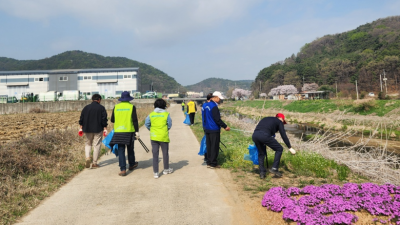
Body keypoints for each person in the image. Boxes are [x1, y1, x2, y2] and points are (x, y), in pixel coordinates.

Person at [252, 113, 296, 179]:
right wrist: (289, 147)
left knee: (261, 154)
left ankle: (262, 172)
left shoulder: (266, 118)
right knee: (279, 149)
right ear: (282, 119)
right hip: (264, 136)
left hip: (255, 135)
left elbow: (264, 128)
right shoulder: (279, 122)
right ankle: (274, 168)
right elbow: (283, 135)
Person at [110, 91, 139, 176]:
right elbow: (135, 120)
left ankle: (123, 169)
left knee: (121, 150)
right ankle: (132, 164)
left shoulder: (116, 107)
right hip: (129, 131)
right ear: (129, 98)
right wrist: (137, 131)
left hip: (118, 131)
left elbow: (112, 120)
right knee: (130, 149)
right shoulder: (131, 107)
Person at [145, 99, 173, 179]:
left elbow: (147, 124)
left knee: (155, 154)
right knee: (165, 153)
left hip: (154, 136)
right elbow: (169, 124)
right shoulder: (166, 114)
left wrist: (152, 129)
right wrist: (165, 129)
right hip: (163, 136)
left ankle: (156, 173)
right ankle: (166, 169)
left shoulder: (151, 114)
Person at [79, 94, 108, 169]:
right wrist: (105, 128)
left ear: (92, 99)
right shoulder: (101, 108)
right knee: (96, 145)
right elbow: (104, 119)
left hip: (87, 129)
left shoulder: (86, 108)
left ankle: (88, 157)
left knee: (88, 144)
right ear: (99, 100)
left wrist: (81, 127)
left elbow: (81, 118)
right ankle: (94, 163)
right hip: (98, 129)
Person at [202, 92, 230, 169]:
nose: (220, 100)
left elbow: (204, 117)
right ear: (216, 97)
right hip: (214, 129)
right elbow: (217, 119)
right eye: (219, 98)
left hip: (207, 128)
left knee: (209, 146)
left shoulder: (206, 105)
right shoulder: (214, 106)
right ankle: (213, 163)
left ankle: (209, 162)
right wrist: (225, 126)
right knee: (214, 147)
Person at [200, 93, 213, 165]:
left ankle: (207, 157)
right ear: (211, 99)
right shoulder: (209, 106)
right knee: (209, 142)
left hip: (205, 125)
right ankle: (207, 158)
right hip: (209, 126)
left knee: (207, 141)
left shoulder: (204, 105)